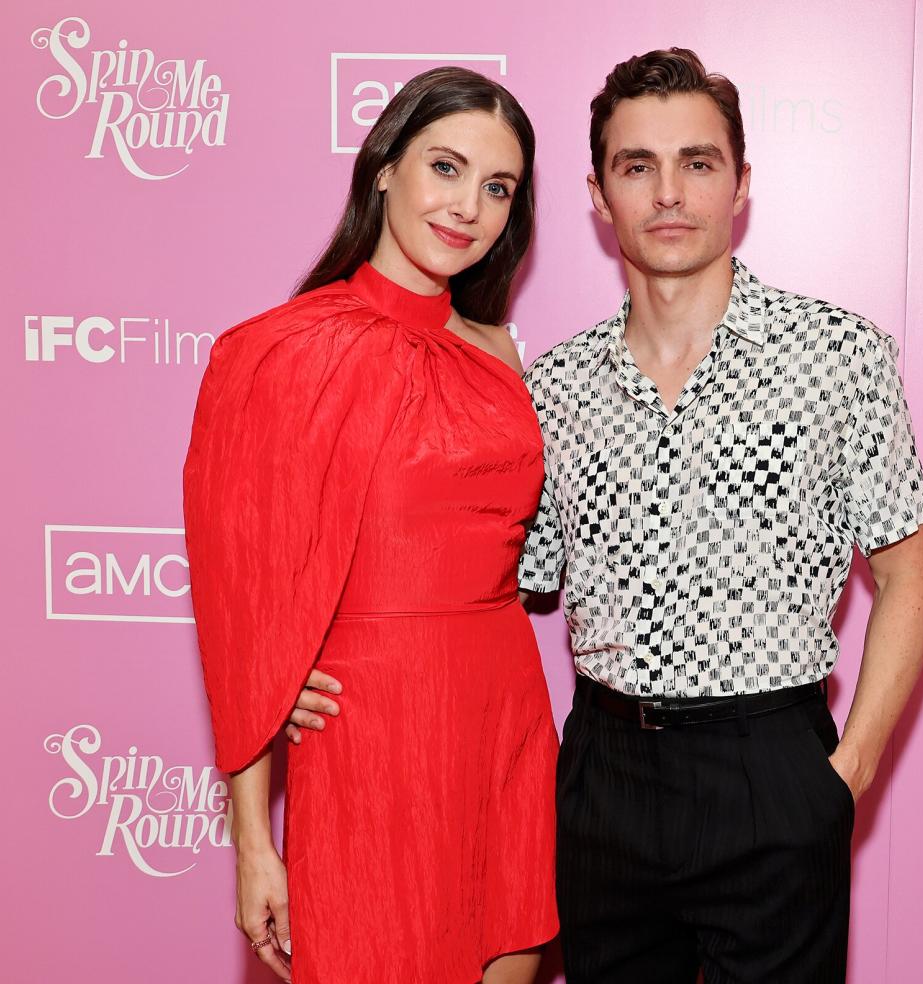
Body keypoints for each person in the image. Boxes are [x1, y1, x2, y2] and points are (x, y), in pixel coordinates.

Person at [289, 47, 923, 984]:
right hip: (601, 784)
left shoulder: (840, 355)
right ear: (599, 194)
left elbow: (909, 574)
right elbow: (483, 580)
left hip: (775, 769)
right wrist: (319, 649)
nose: (668, 192)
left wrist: (847, 775)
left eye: (697, 163)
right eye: (638, 167)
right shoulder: (545, 386)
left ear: (741, 183)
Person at [183, 67, 558, 984]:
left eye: (497, 187)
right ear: (384, 166)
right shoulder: (278, 349)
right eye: (446, 167)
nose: (468, 206)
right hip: (371, 738)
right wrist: (254, 839)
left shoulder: (503, 351)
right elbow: (242, 585)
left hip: (504, 720)